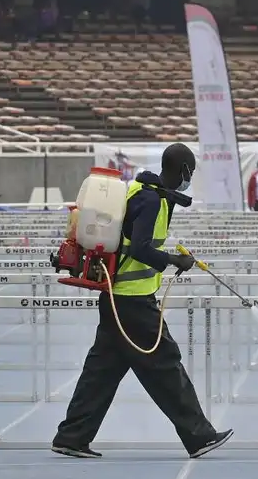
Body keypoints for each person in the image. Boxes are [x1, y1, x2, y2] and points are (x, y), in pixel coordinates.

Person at [52, 143, 233, 459]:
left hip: (118, 299)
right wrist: (175, 261)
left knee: (102, 371)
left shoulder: (144, 191)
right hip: (132, 303)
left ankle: (72, 436)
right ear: (186, 170)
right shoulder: (150, 199)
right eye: (192, 172)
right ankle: (199, 435)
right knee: (165, 365)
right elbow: (139, 249)